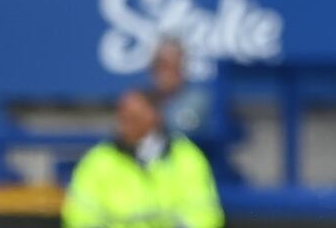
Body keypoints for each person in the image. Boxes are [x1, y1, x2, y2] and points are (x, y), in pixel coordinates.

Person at [62, 90, 222, 228]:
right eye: (122, 118)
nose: (124, 126)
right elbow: (80, 218)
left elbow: (204, 216)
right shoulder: (98, 161)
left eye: (133, 118)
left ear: (154, 117)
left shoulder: (186, 158)